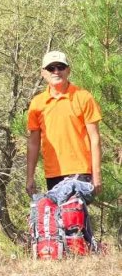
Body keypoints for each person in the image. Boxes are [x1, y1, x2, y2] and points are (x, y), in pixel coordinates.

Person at [26, 50, 102, 195]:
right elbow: (33, 143)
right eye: (51, 68)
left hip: (80, 172)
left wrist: (97, 175)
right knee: (59, 217)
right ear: (43, 73)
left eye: (60, 67)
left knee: (74, 214)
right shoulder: (37, 103)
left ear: (68, 70)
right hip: (53, 173)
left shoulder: (83, 97)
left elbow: (95, 138)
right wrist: (30, 177)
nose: (56, 71)